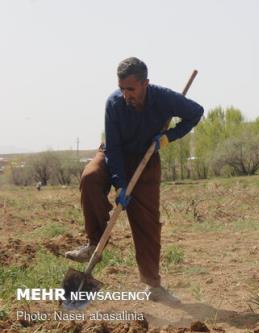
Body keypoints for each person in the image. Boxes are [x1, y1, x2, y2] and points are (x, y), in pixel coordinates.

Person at [65, 57, 204, 302]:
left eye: (131, 89)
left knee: (147, 223)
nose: (126, 94)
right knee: (90, 177)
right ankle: (94, 243)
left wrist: (167, 138)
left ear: (145, 84)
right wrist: (120, 184)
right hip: (113, 153)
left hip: (146, 159)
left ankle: (153, 284)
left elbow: (196, 113)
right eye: (122, 88)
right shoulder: (114, 103)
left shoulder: (164, 98)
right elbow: (114, 149)